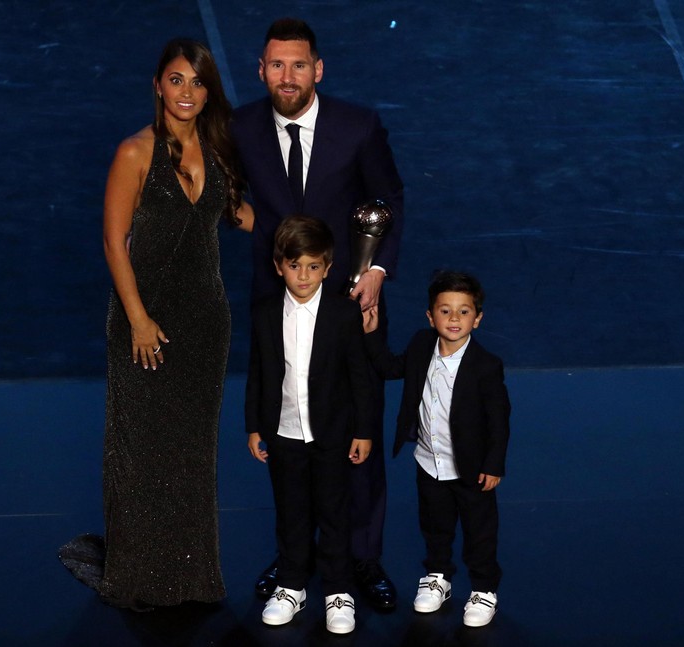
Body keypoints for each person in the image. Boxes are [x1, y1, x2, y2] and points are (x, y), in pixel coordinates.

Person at [59, 38, 252, 610]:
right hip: (145, 321)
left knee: (192, 451)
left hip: (206, 323)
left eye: (197, 82)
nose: (187, 93)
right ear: (157, 85)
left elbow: (241, 216)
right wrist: (139, 319)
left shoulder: (218, 152)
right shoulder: (134, 153)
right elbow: (113, 242)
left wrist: (306, 222)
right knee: (143, 448)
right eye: (176, 80)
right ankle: (141, 575)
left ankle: (190, 575)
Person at [232, 16, 404, 610]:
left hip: (350, 303)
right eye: (276, 65)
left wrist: (376, 274)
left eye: (298, 64)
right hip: (276, 302)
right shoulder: (242, 126)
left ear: (318, 70)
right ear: (261, 70)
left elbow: (388, 201)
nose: (287, 76)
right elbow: (217, 191)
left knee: (356, 428)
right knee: (290, 437)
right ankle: (295, 561)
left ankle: (362, 557)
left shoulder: (358, 126)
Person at [245, 216, 375, 634]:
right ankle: (291, 586)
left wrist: (364, 430)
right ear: (278, 264)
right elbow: (258, 374)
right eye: (295, 265)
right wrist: (254, 426)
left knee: (334, 513)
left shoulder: (342, 313)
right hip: (283, 434)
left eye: (313, 266)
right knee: (291, 513)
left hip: (333, 434)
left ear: (328, 267)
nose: (304, 275)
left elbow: (360, 375)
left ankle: (339, 592)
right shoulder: (265, 313)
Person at [362, 271, 511, 627]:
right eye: (445, 311)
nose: (454, 319)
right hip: (429, 462)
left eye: (463, 312)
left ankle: (483, 589)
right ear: (430, 316)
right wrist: (370, 333)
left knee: (479, 531)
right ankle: (437, 577)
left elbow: (499, 420)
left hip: (472, 468)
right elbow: (387, 367)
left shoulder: (486, 366)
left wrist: (494, 464)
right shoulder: (419, 345)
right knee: (435, 525)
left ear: (478, 318)